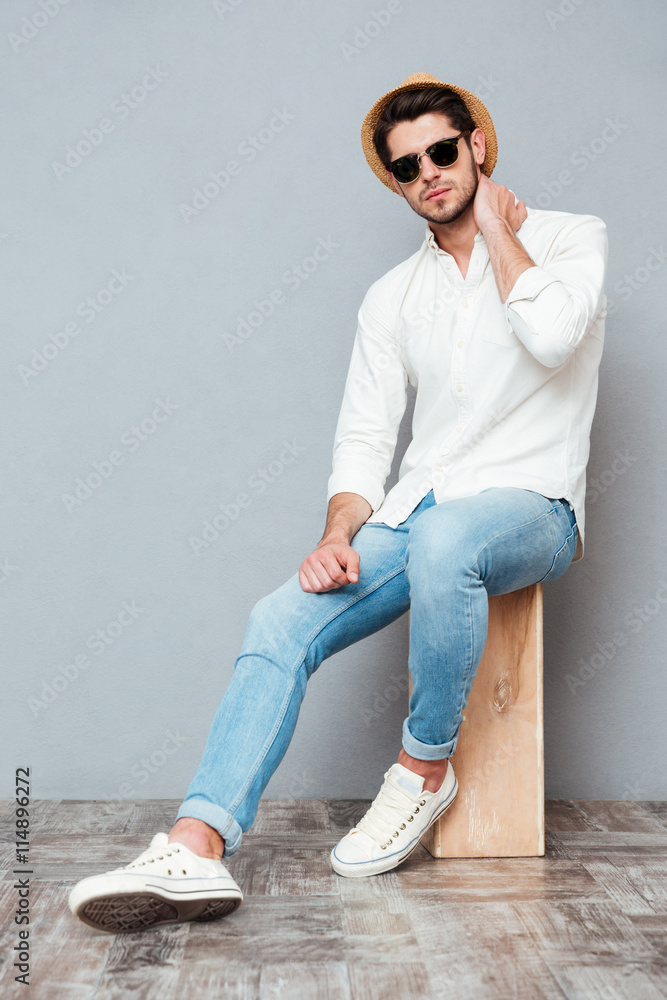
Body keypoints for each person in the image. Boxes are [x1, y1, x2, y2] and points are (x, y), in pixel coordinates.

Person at [69, 72, 607, 933]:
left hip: (534, 510)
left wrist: (504, 231)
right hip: (418, 516)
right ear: (395, 184)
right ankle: (195, 845)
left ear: (476, 147)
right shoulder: (392, 297)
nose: (427, 173)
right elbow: (364, 437)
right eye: (407, 167)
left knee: (446, 543)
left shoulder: (572, 240)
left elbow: (547, 334)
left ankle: (422, 773)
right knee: (279, 617)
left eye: (441, 150)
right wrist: (337, 531)